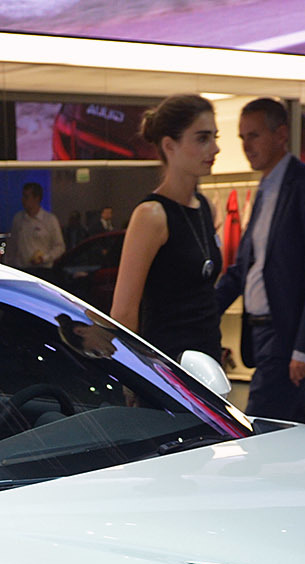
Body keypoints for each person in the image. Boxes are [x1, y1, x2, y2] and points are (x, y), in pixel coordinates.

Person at [212, 96, 305, 421]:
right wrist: (204, 311)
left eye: (254, 135)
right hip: (260, 332)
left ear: (281, 134)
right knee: (290, 429)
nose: (246, 146)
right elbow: (245, 268)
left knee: (260, 425)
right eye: (242, 137)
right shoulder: (265, 188)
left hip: (286, 334)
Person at [111, 93, 225, 364]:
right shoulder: (151, 215)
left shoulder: (204, 208)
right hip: (167, 364)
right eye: (202, 138)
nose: (215, 149)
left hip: (207, 362)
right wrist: (133, 374)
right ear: (169, 145)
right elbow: (123, 312)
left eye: (215, 137)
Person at [6, 182, 65, 271]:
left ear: (36, 198)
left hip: (43, 269)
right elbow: (12, 246)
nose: (23, 200)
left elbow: (59, 247)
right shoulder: (18, 219)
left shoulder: (49, 220)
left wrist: (44, 258)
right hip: (22, 268)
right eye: (23, 196)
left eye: (26, 197)